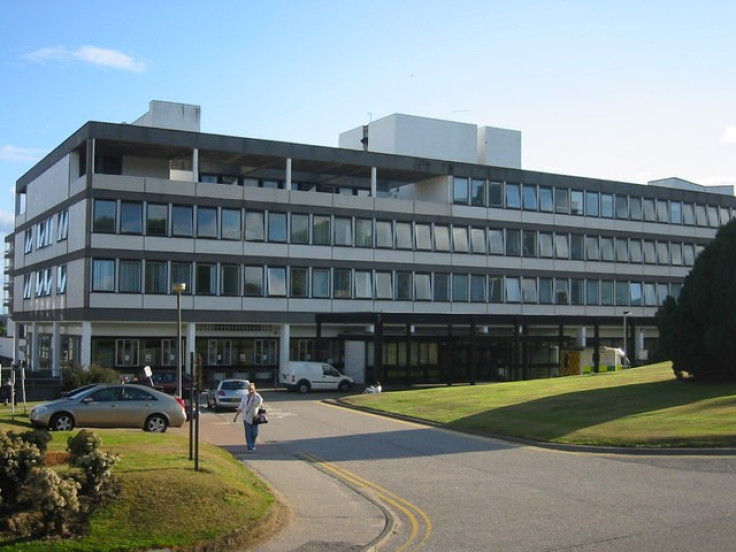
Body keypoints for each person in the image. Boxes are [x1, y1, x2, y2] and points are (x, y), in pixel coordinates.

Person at [233, 383, 263, 453]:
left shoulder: (257, 396)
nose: (250, 391)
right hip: (246, 418)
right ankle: (250, 447)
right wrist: (235, 417)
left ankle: (253, 444)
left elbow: (259, 402)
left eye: (252, 389)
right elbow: (241, 407)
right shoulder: (245, 397)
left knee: (255, 433)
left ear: (254, 389)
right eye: (249, 390)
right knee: (248, 433)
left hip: (254, 417)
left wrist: (255, 394)